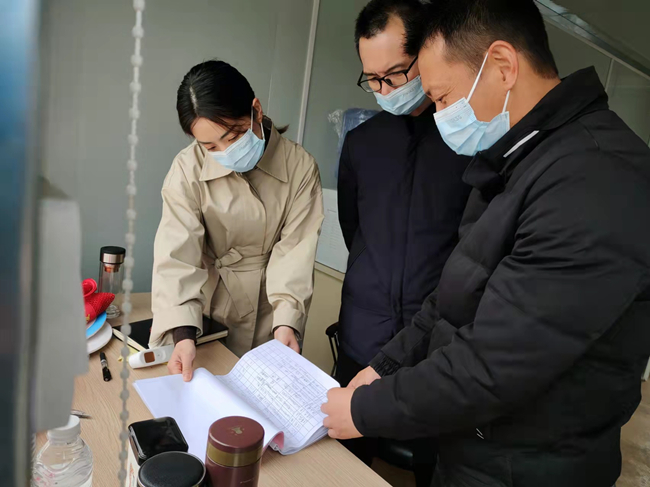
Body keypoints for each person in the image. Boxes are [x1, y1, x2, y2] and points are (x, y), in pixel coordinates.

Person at [322, 1, 650, 486]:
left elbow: (497, 363)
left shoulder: (594, 180)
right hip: (477, 444)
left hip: (529, 463)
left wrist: (366, 410)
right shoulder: (517, 158)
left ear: (501, 65)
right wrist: (386, 364)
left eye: (442, 97)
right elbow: (453, 293)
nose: (439, 116)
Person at [335, 0, 472, 474]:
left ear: (428, 53)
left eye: (394, 74)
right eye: (372, 79)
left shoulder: (467, 139)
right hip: (362, 331)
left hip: (436, 343)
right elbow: (352, 226)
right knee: (345, 458)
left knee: (434, 462)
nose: (385, 90)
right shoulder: (363, 142)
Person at [149, 60, 324, 380]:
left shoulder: (300, 167)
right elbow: (177, 255)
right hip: (206, 313)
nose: (225, 151)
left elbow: (295, 252)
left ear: (255, 110)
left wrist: (287, 321)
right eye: (210, 146)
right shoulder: (187, 169)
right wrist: (183, 333)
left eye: (233, 136)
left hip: (270, 316)